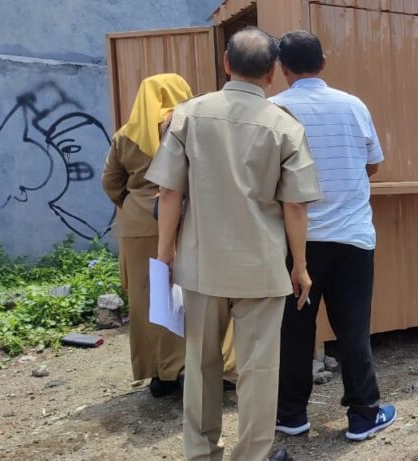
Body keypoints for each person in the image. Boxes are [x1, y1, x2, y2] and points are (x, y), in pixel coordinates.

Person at [146, 27, 322, 461]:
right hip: (262, 268)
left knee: (200, 363)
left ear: (226, 63)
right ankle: (252, 456)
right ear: (272, 73)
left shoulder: (188, 116)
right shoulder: (285, 126)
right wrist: (300, 266)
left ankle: (201, 452)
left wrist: (165, 257)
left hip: (201, 264)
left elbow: (169, 192)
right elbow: (296, 205)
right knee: (259, 369)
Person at [268, 30, 396, 442]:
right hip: (351, 238)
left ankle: (290, 415)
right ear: (323, 63)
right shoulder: (353, 105)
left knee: (294, 331)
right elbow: (373, 164)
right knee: (353, 329)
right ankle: (363, 414)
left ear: (282, 68)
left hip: (295, 243)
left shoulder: (273, 110)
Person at [101, 74, 190, 397]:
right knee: (190, 295)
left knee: (147, 300)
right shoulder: (188, 128)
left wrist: (133, 204)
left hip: (138, 226)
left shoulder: (125, 135)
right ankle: (192, 369)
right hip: (186, 220)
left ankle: (159, 375)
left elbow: (111, 182)